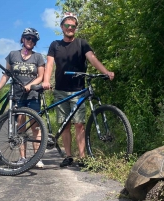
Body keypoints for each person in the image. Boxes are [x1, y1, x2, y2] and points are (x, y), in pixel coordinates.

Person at [42, 12, 114, 167]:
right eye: (67, 25)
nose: (70, 28)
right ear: (62, 27)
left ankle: (82, 157)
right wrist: (46, 81)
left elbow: (92, 58)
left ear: (75, 28)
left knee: (79, 124)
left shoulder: (82, 43)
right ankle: (68, 156)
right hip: (61, 90)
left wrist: (105, 72)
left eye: (73, 26)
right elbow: (49, 65)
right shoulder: (55, 45)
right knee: (65, 125)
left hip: (78, 90)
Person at [0, 28, 45, 168]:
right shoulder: (12, 55)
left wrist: (31, 85)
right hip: (18, 95)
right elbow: (6, 74)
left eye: (33, 39)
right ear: (23, 39)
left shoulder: (38, 57)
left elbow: (41, 76)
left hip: (33, 95)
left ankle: (37, 158)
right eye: (28, 38)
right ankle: (22, 158)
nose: (30, 41)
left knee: (36, 127)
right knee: (21, 125)